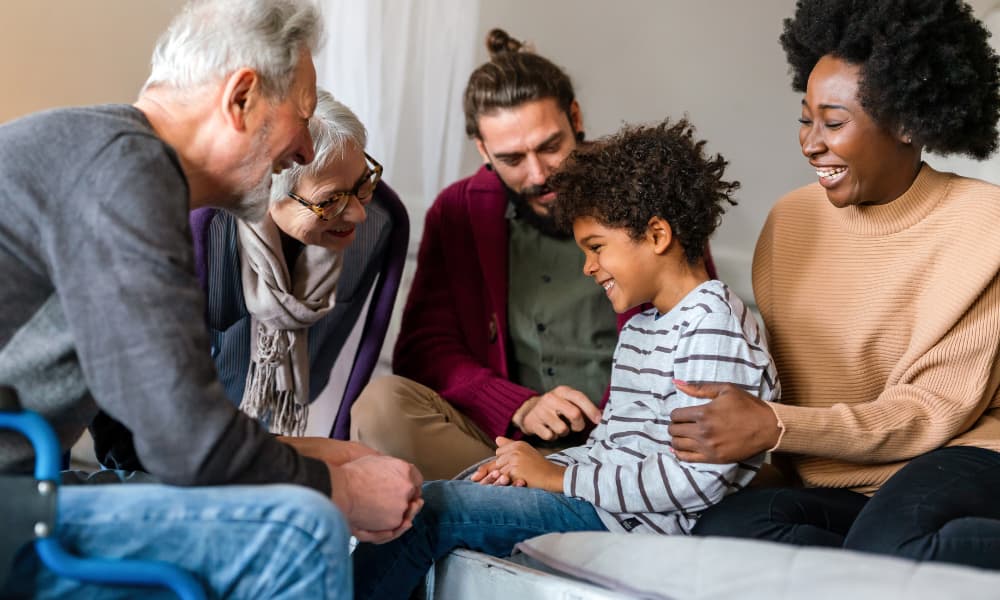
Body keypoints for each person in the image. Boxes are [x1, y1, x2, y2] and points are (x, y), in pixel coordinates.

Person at [0, 1, 421, 598]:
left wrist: (323, 454)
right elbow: (185, 444)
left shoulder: (107, 156)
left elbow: (136, 437)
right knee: (299, 531)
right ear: (241, 97)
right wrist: (341, 491)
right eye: (300, 116)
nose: (304, 150)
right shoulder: (123, 171)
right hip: (14, 506)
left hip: (26, 489)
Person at [351, 118, 780, 599]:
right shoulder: (643, 327)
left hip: (634, 528)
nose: (587, 266)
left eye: (596, 248)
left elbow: (696, 484)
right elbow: (611, 449)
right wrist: (524, 468)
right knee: (432, 497)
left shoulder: (713, 326)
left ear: (657, 235)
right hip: (603, 507)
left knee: (430, 511)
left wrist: (558, 476)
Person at [670, 0, 1000, 570]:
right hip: (844, 481)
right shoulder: (790, 222)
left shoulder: (985, 226)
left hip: (958, 455)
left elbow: (929, 413)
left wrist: (774, 426)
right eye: (805, 118)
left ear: (907, 123)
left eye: (834, 122)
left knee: (890, 547)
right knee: (724, 530)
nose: (810, 143)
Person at [350, 28, 630, 480]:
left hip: (623, 446)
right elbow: (425, 350)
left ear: (575, 117)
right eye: (512, 159)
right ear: (483, 150)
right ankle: (538, 498)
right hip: (501, 447)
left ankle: (545, 498)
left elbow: (691, 324)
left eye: (550, 147)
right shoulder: (458, 210)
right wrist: (519, 405)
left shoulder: (640, 195)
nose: (539, 174)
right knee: (380, 406)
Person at [90, 88, 393, 472]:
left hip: (263, 431)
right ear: (267, 187)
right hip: (162, 442)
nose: (359, 215)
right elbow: (128, 389)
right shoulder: (193, 232)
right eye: (331, 200)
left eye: (362, 186)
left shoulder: (377, 228)